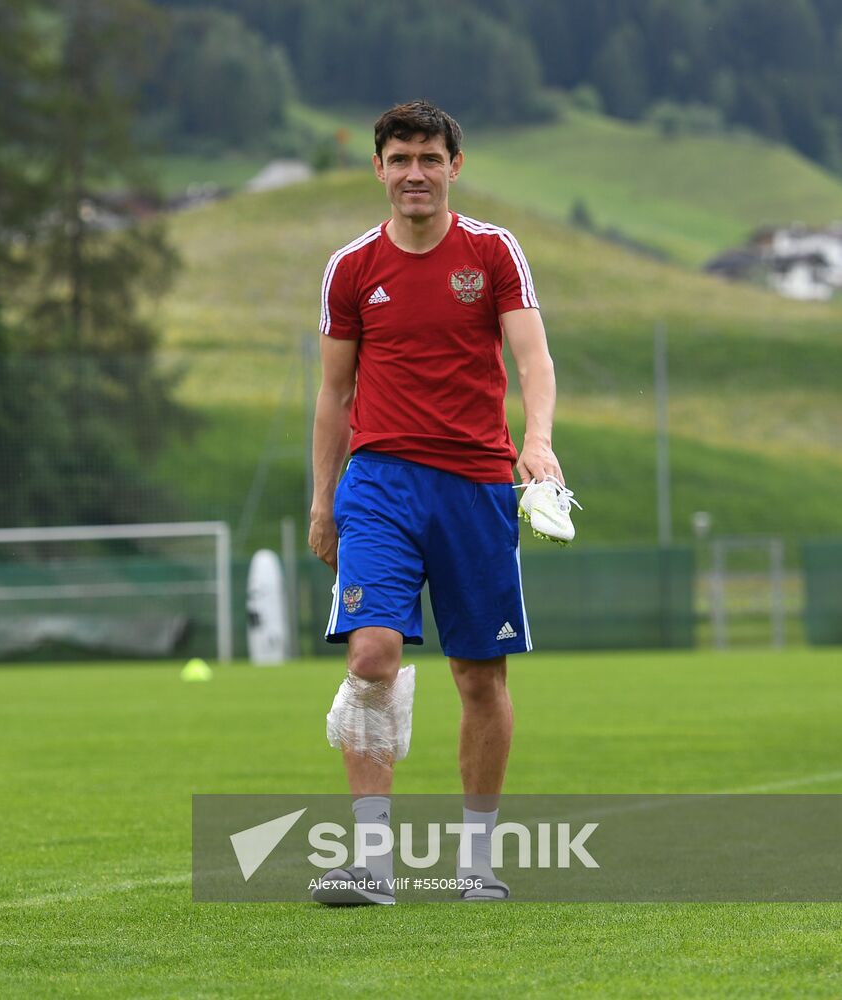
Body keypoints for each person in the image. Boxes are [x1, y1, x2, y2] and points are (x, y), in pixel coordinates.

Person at [308, 100, 564, 905]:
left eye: (428, 158)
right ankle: (373, 864)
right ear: (377, 168)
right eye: (399, 158)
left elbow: (532, 360)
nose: (413, 173)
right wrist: (322, 501)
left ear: (455, 165)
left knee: (477, 676)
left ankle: (477, 862)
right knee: (371, 656)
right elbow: (332, 392)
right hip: (380, 482)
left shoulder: (491, 252)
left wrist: (539, 442)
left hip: (478, 483)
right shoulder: (350, 267)